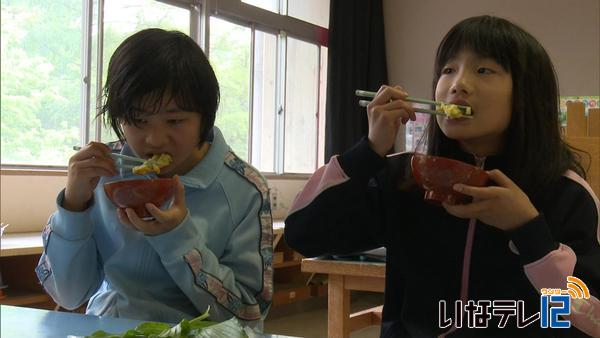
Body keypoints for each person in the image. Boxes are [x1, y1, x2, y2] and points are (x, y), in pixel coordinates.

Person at [284, 15, 599, 337]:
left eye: (484, 70)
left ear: (527, 93)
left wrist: (528, 230)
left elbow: (592, 318)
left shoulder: (565, 191)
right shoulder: (405, 176)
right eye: (448, 70)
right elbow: (306, 236)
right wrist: (368, 151)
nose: (457, 84)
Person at [35, 28, 273, 329]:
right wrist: (73, 208)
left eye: (174, 121)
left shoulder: (244, 189)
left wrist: (177, 238)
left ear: (205, 117)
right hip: (110, 329)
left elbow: (248, 315)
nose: (154, 139)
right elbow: (69, 296)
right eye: (137, 120)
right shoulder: (102, 173)